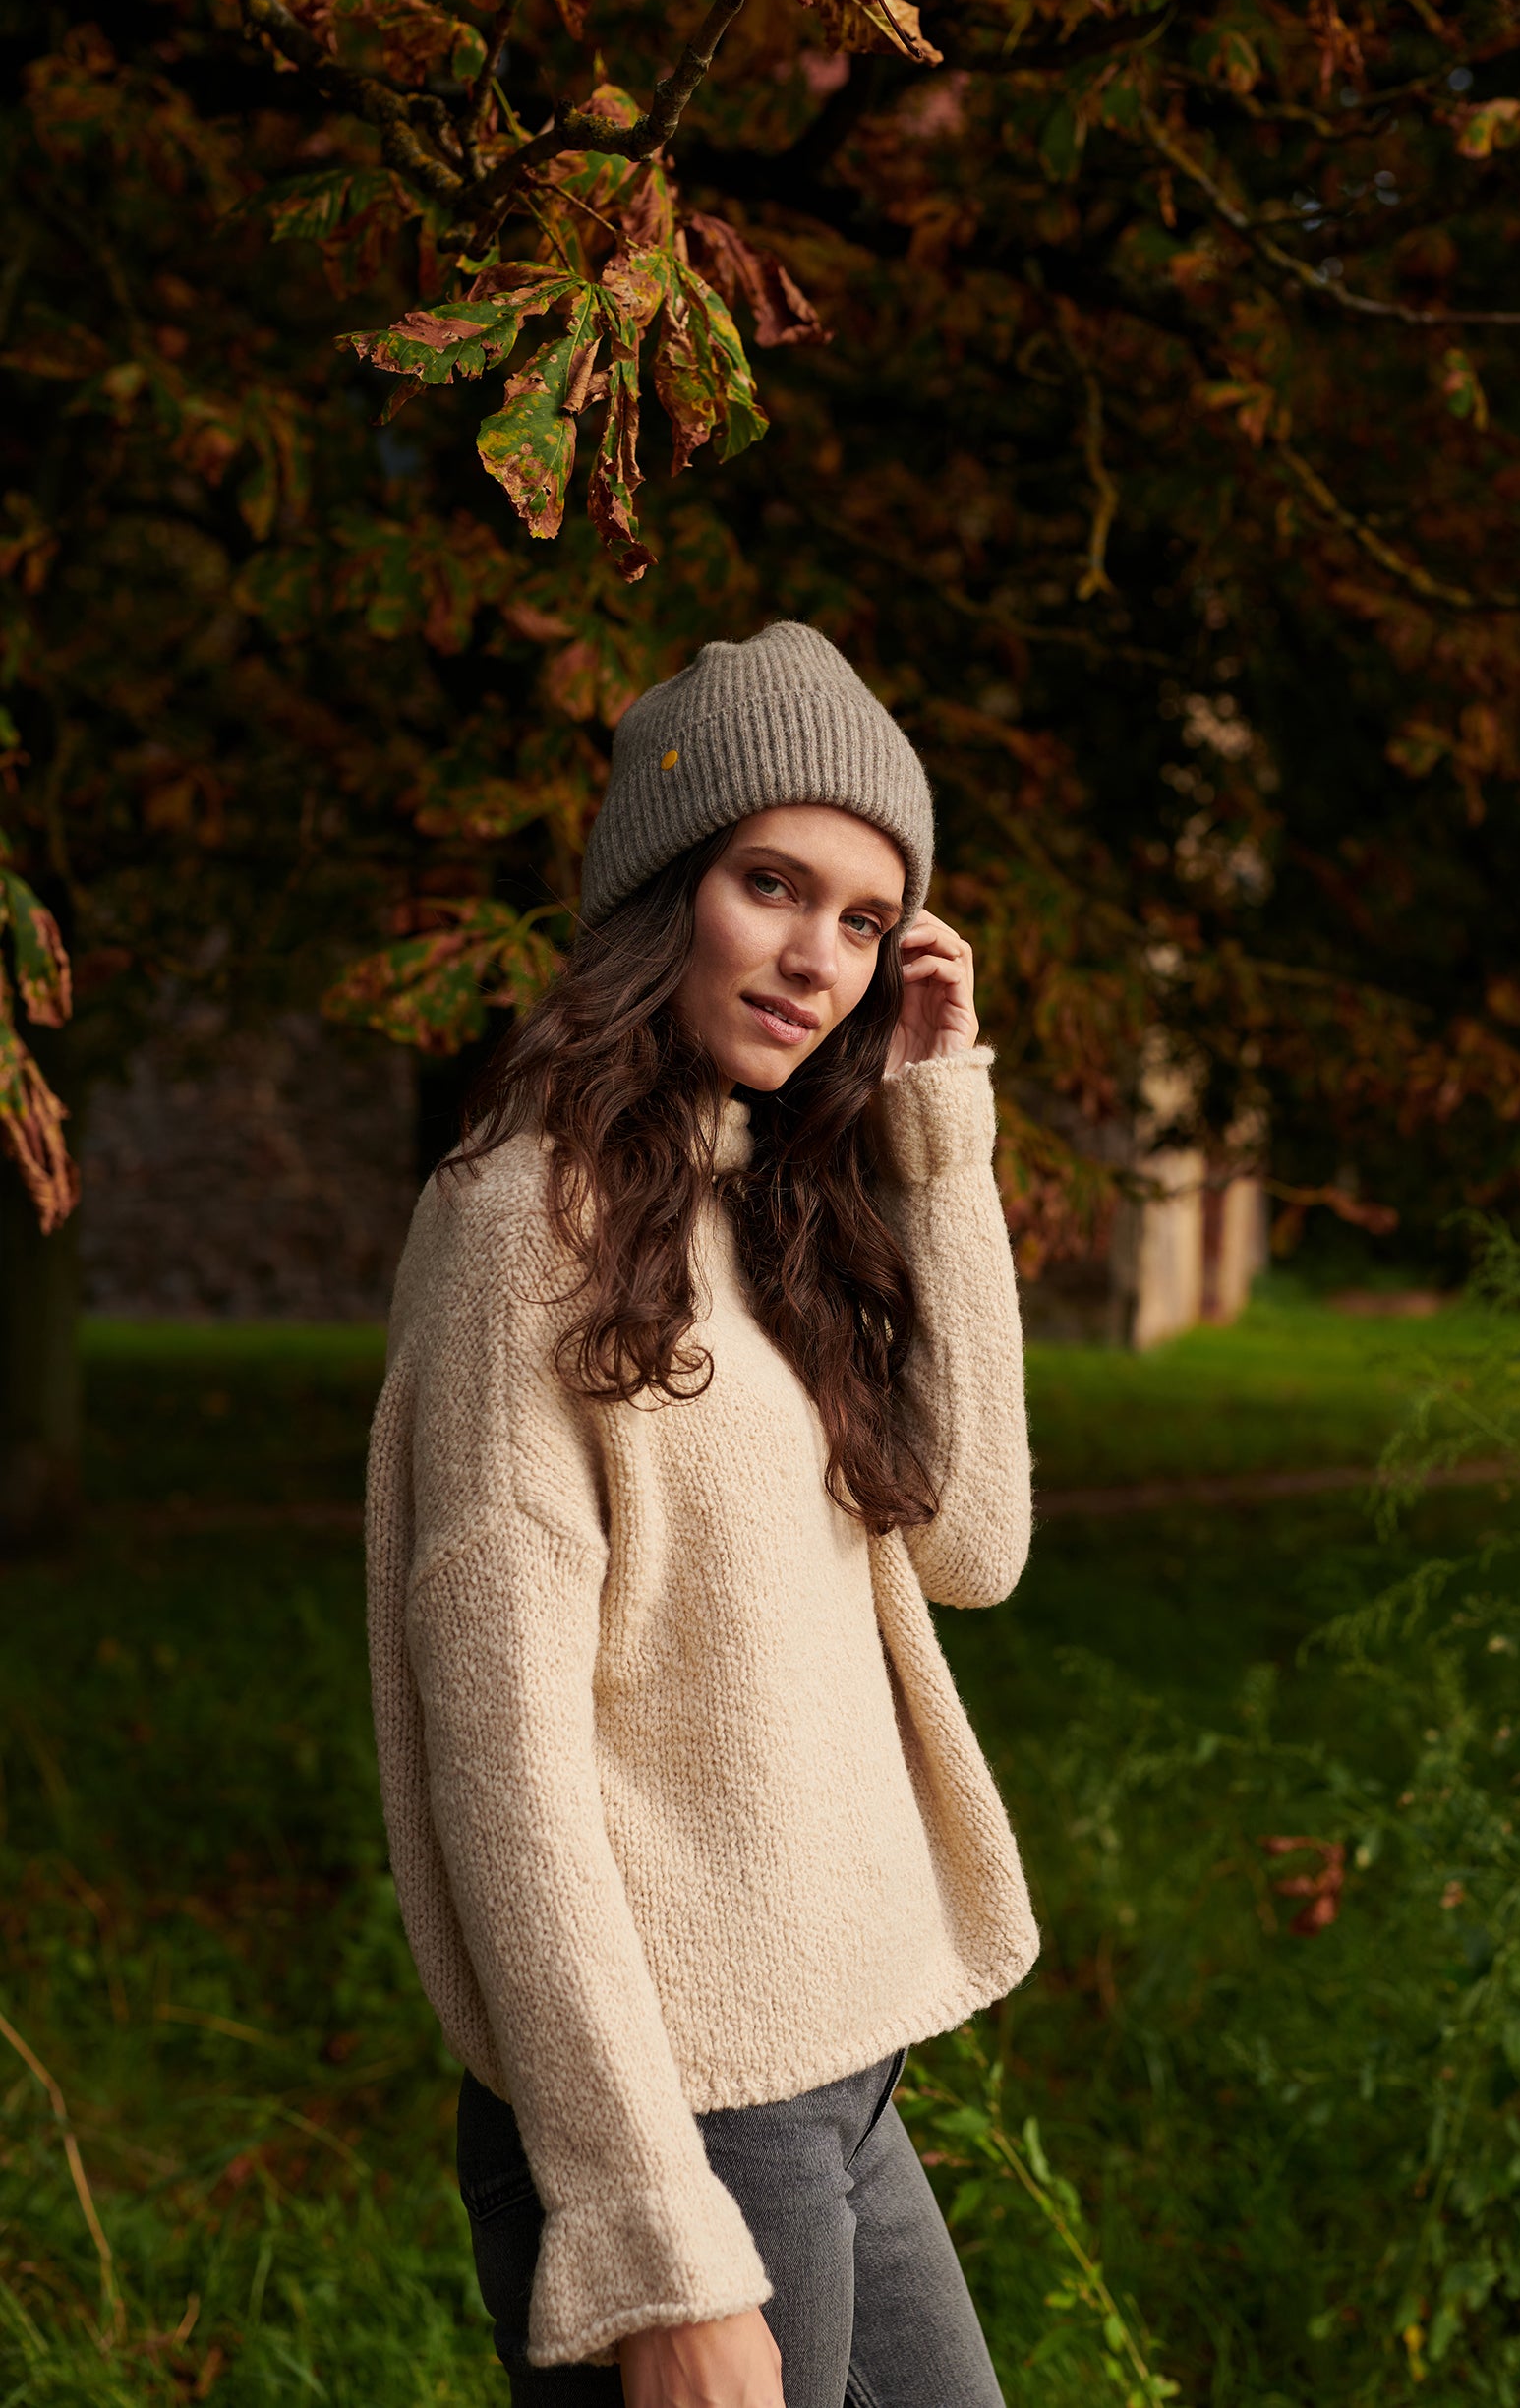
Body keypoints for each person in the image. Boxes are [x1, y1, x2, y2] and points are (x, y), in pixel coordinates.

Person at [366, 621, 1038, 2408]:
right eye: (774, 884)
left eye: (866, 921)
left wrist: (941, 1136)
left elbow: (971, 1546)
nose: (819, 959)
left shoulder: (778, 1211)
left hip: (844, 2076)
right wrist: (650, 2230)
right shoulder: (530, 1223)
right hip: (676, 2105)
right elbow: (497, 1763)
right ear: (666, 884)